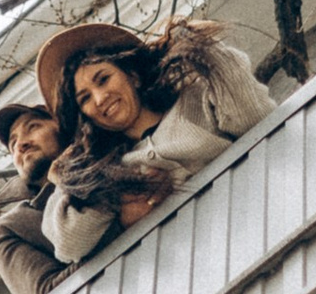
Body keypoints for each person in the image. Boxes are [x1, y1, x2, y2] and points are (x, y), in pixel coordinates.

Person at [38, 16, 277, 265]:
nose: (99, 98)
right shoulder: (109, 171)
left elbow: (257, 120)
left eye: (103, 79)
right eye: (85, 99)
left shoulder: (196, 98)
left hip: (265, 217)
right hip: (204, 265)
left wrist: (202, 47)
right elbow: (68, 244)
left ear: (133, 76)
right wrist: (72, 179)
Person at [0, 95, 68, 294]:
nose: (21, 144)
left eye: (33, 127)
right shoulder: (10, 228)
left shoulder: (110, 155)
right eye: (13, 144)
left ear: (62, 127)